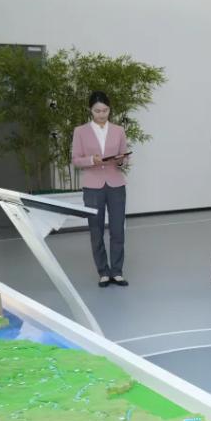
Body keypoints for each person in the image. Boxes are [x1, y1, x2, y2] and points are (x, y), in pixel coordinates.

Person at [71, 91, 130, 288]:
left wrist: (121, 160)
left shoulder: (119, 130)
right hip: (92, 186)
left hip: (116, 184)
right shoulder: (80, 131)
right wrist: (91, 160)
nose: (102, 114)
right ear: (90, 110)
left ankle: (117, 272)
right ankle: (103, 272)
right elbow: (76, 159)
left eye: (105, 110)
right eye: (97, 111)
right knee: (96, 230)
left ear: (110, 110)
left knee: (117, 229)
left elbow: (124, 157)